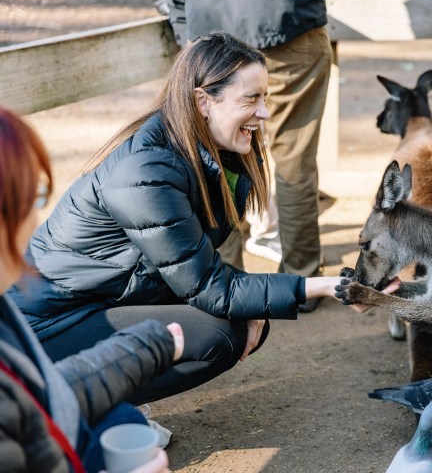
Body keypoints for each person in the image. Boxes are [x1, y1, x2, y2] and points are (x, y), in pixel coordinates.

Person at [7, 33, 345, 411]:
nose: (264, 111)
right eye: (251, 98)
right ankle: (80, 408)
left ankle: (104, 397)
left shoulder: (209, 151)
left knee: (246, 316)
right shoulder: (146, 172)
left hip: (106, 296)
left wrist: (256, 305)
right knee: (220, 334)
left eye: (264, 97)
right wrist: (324, 286)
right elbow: (210, 288)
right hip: (45, 324)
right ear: (203, 100)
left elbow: (192, 264)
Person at [0, 105, 183, 472]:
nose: (35, 218)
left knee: (123, 420)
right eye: (30, 200)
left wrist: (143, 348)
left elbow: (40, 399)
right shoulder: (141, 173)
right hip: (59, 318)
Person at [159, 0, 333, 312]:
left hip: (212, 31)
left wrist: (186, 27)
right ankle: (302, 279)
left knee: (218, 157)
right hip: (288, 20)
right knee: (295, 159)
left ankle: (225, 283)